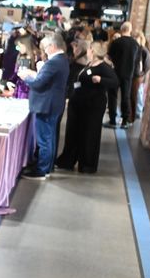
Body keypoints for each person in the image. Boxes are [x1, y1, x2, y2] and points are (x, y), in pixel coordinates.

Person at [56, 41, 118, 173]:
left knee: (90, 134)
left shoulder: (103, 67)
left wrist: (101, 80)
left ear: (93, 51)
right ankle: (68, 160)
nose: (87, 51)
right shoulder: (89, 64)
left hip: (93, 106)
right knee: (73, 132)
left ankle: (87, 164)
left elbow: (115, 82)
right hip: (79, 103)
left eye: (89, 49)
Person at [18, 32, 70, 180]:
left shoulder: (53, 62)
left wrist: (26, 77)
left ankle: (42, 169)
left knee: (45, 139)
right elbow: (46, 79)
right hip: (53, 103)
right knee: (49, 137)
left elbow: (38, 83)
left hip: (46, 105)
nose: (45, 50)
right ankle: (46, 166)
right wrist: (35, 73)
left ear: (52, 46)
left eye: (46, 47)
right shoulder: (62, 59)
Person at [106, 21, 140, 129]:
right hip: (128, 74)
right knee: (126, 97)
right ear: (130, 30)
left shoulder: (116, 42)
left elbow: (109, 57)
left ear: (121, 29)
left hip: (115, 73)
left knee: (112, 96)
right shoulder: (135, 44)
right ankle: (125, 121)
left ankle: (112, 120)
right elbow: (137, 61)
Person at [131, 30, 150, 122]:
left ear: (141, 39)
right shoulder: (134, 49)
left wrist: (141, 73)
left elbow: (147, 65)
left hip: (139, 76)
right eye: (133, 38)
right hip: (133, 75)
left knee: (139, 93)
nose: (135, 39)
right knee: (133, 94)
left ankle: (138, 112)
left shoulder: (143, 50)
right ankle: (134, 112)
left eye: (136, 38)